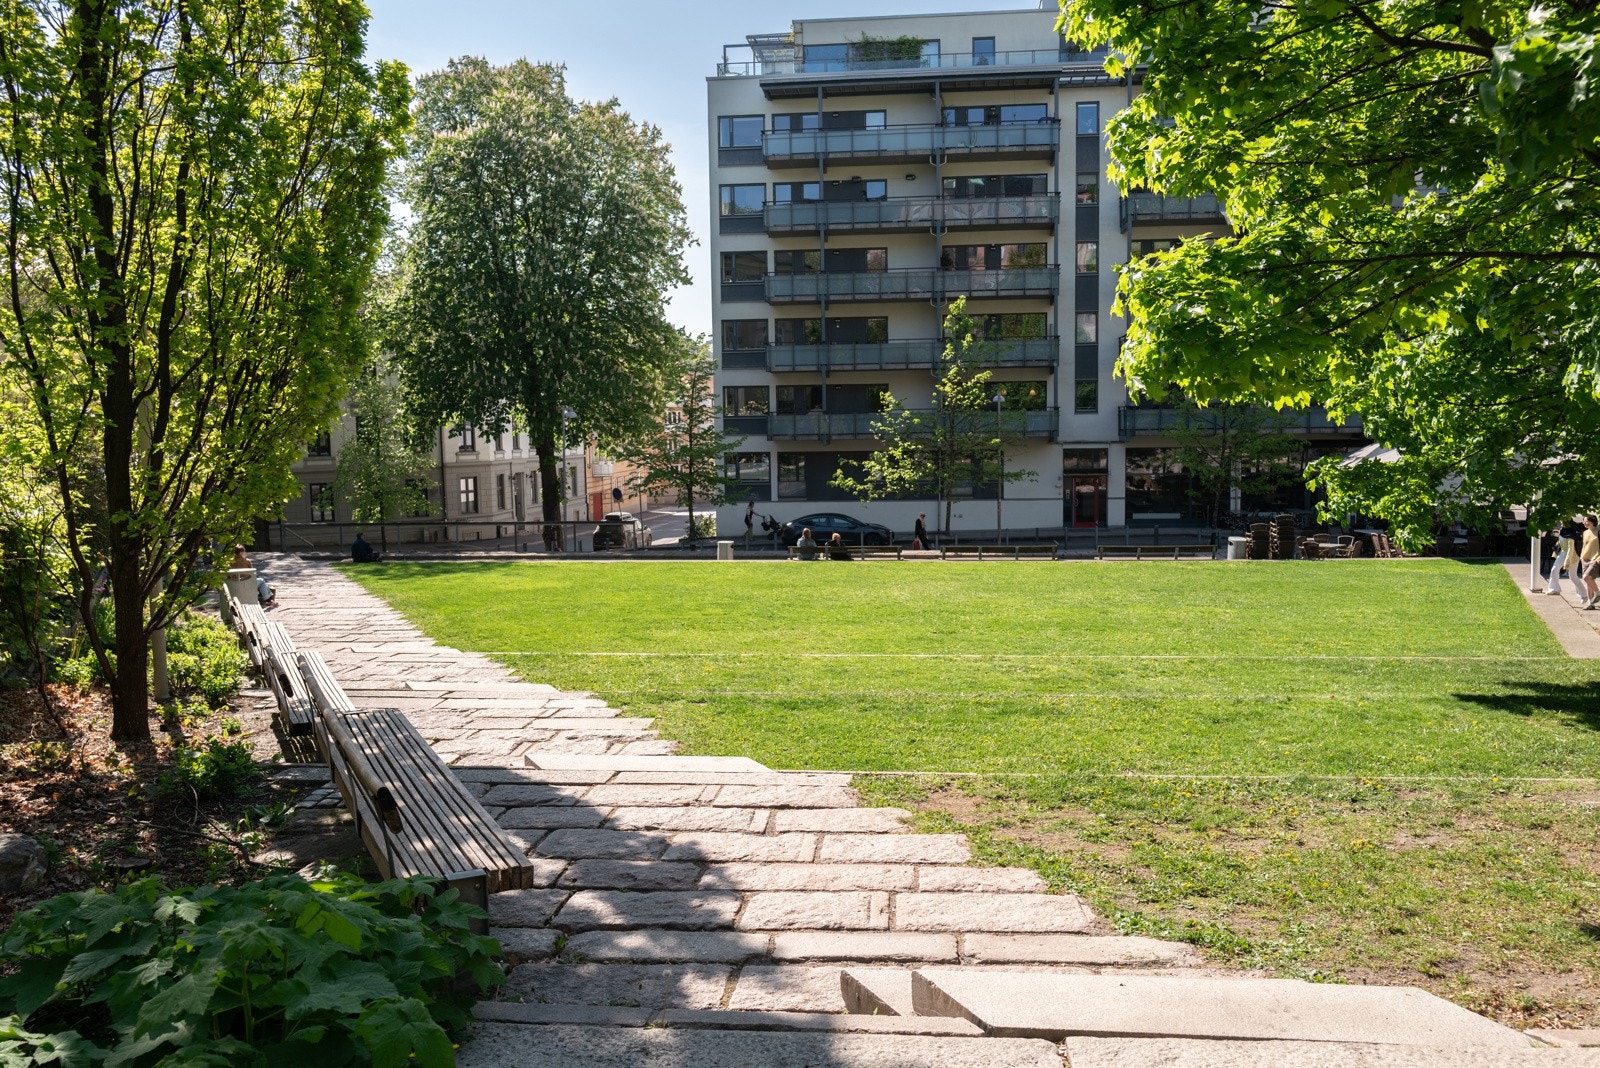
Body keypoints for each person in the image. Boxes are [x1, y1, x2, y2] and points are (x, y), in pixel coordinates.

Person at [1548, 518, 1582, 595]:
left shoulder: (1571, 534)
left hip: (1571, 555)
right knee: (1554, 569)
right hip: (1562, 553)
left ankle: (1582, 593)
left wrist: (1567, 560)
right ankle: (1554, 588)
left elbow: (1571, 548)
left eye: (1563, 522)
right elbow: (1560, 541)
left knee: (1573, 576)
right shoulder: (1562, 531)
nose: (1561, 523)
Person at [1581, 515, 1600, 609]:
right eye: (1584, 521)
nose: (1584, 523)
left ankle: (1597, 593)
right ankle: (1590, 603)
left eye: (1586, 521)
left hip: (1595, 558)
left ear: (1592, 522)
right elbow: (1584, 545)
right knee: (1589, 581)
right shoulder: (1585, 532)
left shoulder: (1598, 531)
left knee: (1586, 577)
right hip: (1585, 558)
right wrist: (1581, 557)